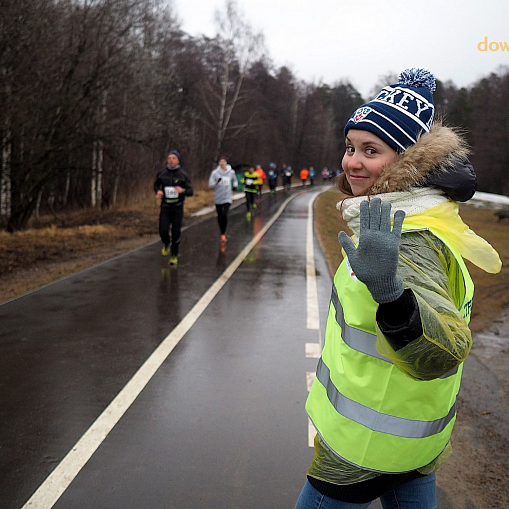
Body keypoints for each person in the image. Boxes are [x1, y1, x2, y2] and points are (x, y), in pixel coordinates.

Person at [296, 69, 502, 509]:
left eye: (371, 150)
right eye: (350, 147)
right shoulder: (420, 215)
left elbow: (445, 350)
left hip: (360, 452)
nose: (352, 161)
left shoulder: (407, 237)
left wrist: (392, 295)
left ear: (409, 161)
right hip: (413, 442)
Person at [154, 150, 193, 266]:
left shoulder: (183, 175)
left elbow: (191, 191)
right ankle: (166, 243)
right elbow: (156, 185)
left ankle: (174, 255)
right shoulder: (162, 173)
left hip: (177, 208)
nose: (171, 160)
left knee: (176, 232)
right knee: (163, 230)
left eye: (173, 158)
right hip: (165, 207)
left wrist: (183, 191)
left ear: (178, 161)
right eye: (169, 158)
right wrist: (158, 191)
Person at [208, 156, 238, 248]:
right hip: (218, 198)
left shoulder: (231, 172)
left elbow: (235, 180)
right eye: (220, 161)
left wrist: (235, 185)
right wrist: (216, 182)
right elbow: (210, 185)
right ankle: (222, 231)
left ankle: (223, 234)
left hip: (227, 197)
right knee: (220, 216)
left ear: (226, 163)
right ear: (218, 163)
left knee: (225, 214)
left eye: (223, 161)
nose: (222, 163)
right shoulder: (215, 173)